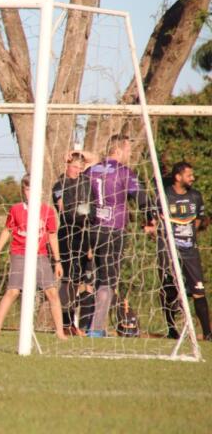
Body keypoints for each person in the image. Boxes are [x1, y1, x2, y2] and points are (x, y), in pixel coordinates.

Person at [82, 135, 150, 337]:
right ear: (118, 150)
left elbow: (80, 200)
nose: (130, 154)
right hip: (114, 230)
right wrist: (152, 216)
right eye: (128, 150)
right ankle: (95, 329)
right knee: (108, 280)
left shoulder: (90, 171)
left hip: (93, 230)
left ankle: (87, 322)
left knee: (94, 277)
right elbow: (141, 198)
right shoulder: (124, 172)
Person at [0, 174, 67, 340]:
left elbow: (52, 236)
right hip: (19, 254)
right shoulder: (16, 209)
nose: (30, 192)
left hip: (40, 256)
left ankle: (60, 332)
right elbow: (7, 231)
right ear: (23, 191)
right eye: (27, 189)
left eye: (33, 189)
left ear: (40, 191)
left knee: (52, 293)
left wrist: (58, 261)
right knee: (13, 292)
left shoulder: (47, 211)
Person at [154, 162, 211, 341]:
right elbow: (154, 221)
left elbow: (199, 220)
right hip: (169, 251)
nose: (192, 178)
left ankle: (208, 333)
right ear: (178, 177)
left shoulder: (195, 196)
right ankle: (172, 329)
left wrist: (189, 235)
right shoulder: (164, 196)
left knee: (198, 290)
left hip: (190, 251)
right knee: (169, 289)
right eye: (189, 175)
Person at [51, 151, 95, 335]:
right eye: (75, 167)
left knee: (81, 281)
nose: (78, 170)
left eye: (80, 168)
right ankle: (66, 322)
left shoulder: (86, 182)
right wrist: (81, 210)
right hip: (67, 234)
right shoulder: (59, 185)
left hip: (85, 235)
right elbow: (65, 210)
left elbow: (90, 209)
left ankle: (75, 323)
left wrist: (81, 153)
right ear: (67, 166)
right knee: (68, 280)